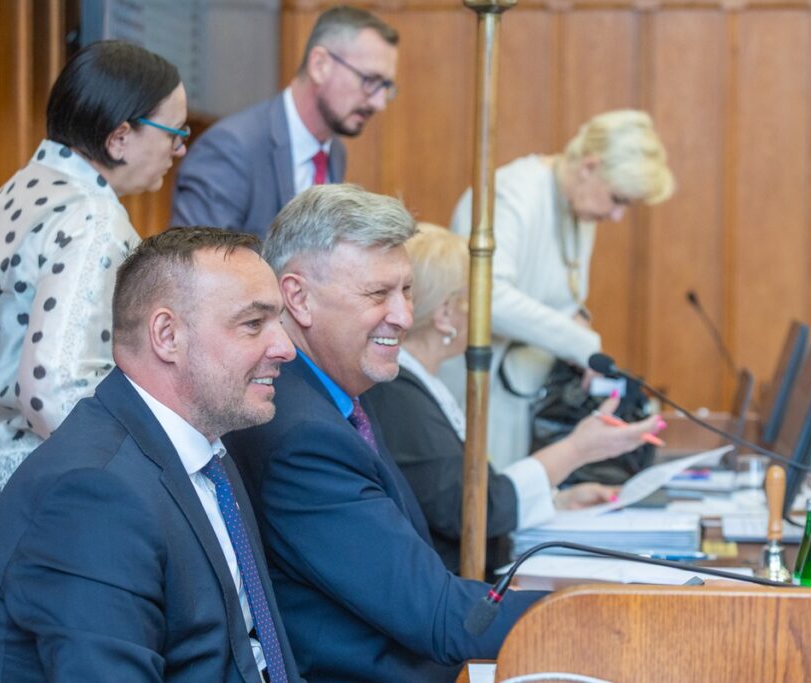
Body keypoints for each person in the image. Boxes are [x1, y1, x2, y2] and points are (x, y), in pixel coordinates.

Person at [223, 185, 546, 683]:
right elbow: (438, 617)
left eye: (407, 290)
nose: (403, 316)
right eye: (378, 294)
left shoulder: (334, 396)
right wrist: (603, 608)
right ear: (298, 297)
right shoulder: (300, 434)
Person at [0, 228, 302, 682]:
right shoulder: (92, 494)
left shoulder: (205, 449)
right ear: (167, 336)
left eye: (279, 322)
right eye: (253, 324)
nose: (285, 347)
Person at [0, 41, 191, 533]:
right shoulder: (91, 215)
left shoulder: (12, 194)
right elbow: (53, 391)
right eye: (174, 132)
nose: (180, 148)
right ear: (120, 137)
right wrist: (138, 480)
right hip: (54, 500)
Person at [363, 224, 663, 577]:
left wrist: (557, 502)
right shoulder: (401, 398)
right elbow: (470, 510)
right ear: (445, 314)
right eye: (476, 301)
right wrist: (578, 449)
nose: (485, 316)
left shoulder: (420, 385)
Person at [448, 109, 675, 469]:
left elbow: (562, 296)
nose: (617, 216)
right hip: (484, 393)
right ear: (589, 166)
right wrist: (582, 343)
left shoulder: (579, 202)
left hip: (532, 394)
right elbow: (487, 297)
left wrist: (577, 319)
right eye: (618, 199)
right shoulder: (511, 194)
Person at [170, 5, 398, 238]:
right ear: (320, 65)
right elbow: (196, 267)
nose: (379, 103)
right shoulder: (230, 149)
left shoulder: (335, 153)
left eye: (386, 87)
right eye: (370, 80)